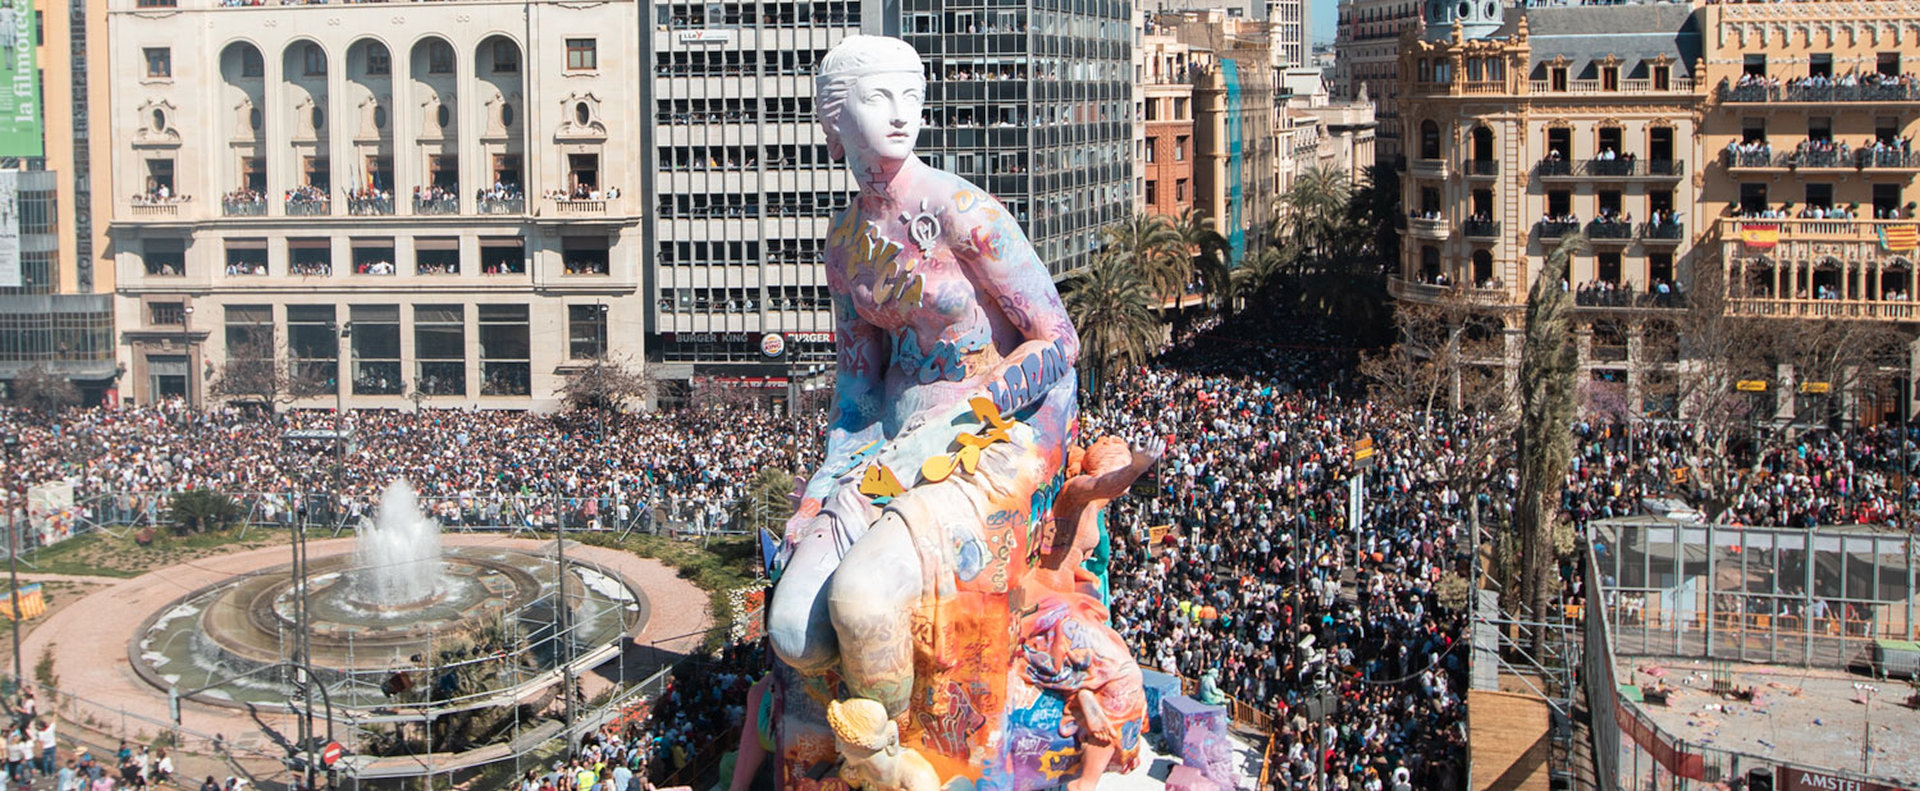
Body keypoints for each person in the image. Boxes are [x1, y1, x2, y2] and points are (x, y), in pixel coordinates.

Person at [766, 33, 1080, 721]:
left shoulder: (965, 213)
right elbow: (856, 393)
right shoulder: (845, 246)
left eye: (912, 95)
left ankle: (891, 755)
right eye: (879, 97)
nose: (902, 113)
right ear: (834, 120)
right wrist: (822, 492)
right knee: (794, 629)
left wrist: (960, 418)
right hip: (888, 447)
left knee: (862, 599)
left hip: (984, 440)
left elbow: (1059, 338)